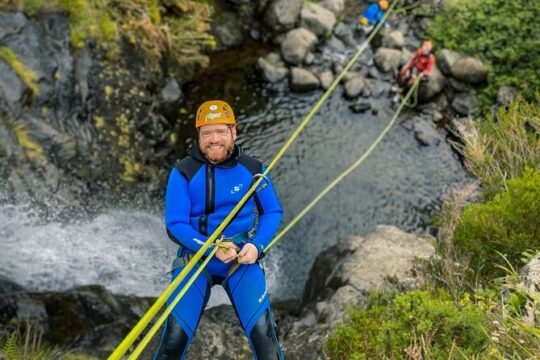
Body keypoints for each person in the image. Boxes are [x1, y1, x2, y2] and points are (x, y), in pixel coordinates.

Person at [154, 100, 284, 359]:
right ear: (198, 136)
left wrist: (256, 246)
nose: (214, 139)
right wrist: (211, 247)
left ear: (234, 132)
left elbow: (272, 212)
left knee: (265, 340)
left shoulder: (254, 170)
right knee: (173, 341)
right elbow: (175, 224)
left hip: (240, 261)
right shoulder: (183, 173)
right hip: (195, 259)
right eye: (207, 133)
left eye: (221, 131)